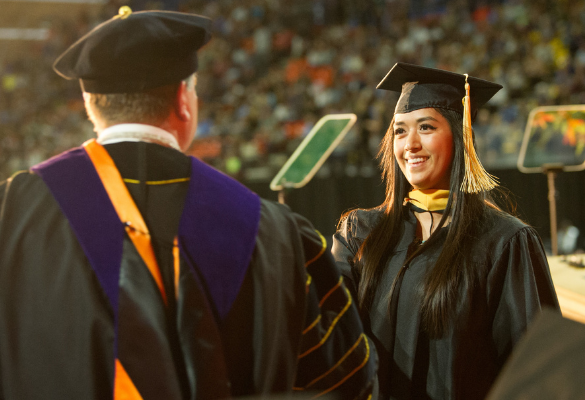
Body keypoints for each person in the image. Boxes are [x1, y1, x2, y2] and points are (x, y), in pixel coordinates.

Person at [0, 8, 377, 400]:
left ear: (89, 104)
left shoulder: (11, 211)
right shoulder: (270, 230)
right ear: (183, 98)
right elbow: (342, 379)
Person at [332, 62, 559, 400]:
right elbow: (330, 332)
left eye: (426, 127)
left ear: (460, 136)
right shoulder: (360, 232)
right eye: (399, 130)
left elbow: (538, 370)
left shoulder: (504, 241)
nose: (410, 144)